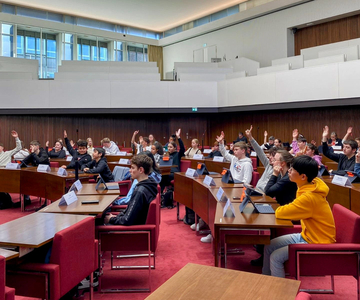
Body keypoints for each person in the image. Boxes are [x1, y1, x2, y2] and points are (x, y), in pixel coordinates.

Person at [262, 156, 336, 278]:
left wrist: (282, 208)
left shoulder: (309, 197)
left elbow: (280, 213)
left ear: (303, 177)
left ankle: (279, 292)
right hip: (306, 236)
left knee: (276, 257)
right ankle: (265, 279)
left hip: (318, 243)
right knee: (269, 245)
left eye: (292, 169)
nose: (289, 171)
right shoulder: (308, 186)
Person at [104, 155, 158, 226]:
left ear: (141, 170)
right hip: (136, 224)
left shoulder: (140, 191)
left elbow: (127, 220)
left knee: (97, 225)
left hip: (133, 230)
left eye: (132, 168)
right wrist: (117, 217)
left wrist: (111, 219)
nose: (130, 170)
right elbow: (129, 212)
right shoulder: (150, 184)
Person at [245, 125, 277, 192]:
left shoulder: (279, 171)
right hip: (256, 190)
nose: (270, 157)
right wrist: (250, 138)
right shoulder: (268, 164)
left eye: (273, 156)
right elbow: (259, 151)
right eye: (270, 155)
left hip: (263, 195)